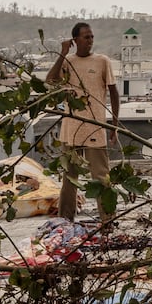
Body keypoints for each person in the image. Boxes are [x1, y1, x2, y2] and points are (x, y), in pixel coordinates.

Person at [46, 22, 120, 221]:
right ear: (75, 40)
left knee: (102, 177)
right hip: (71, 129)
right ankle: (65, 221)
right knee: (69, 179)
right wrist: (62, 53)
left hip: (96, 128)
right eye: (86, 37)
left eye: (92, 37)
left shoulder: (102, 61)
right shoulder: (68, 62)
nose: (90, 41)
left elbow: (113, 92)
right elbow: (50, 80)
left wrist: (114, 124)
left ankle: (108, 220)